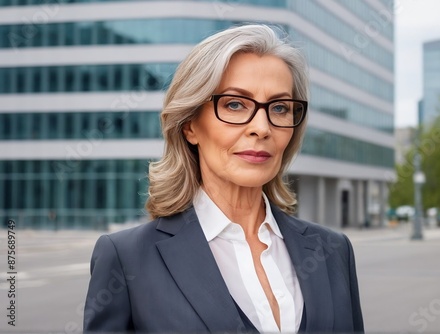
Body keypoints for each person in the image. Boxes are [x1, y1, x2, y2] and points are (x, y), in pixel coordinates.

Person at [84, 24, 364, 333]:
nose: (262, 127)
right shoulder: (127, 258)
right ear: (190, 125)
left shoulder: (333, 249)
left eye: (280, 107)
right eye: (234, 104)